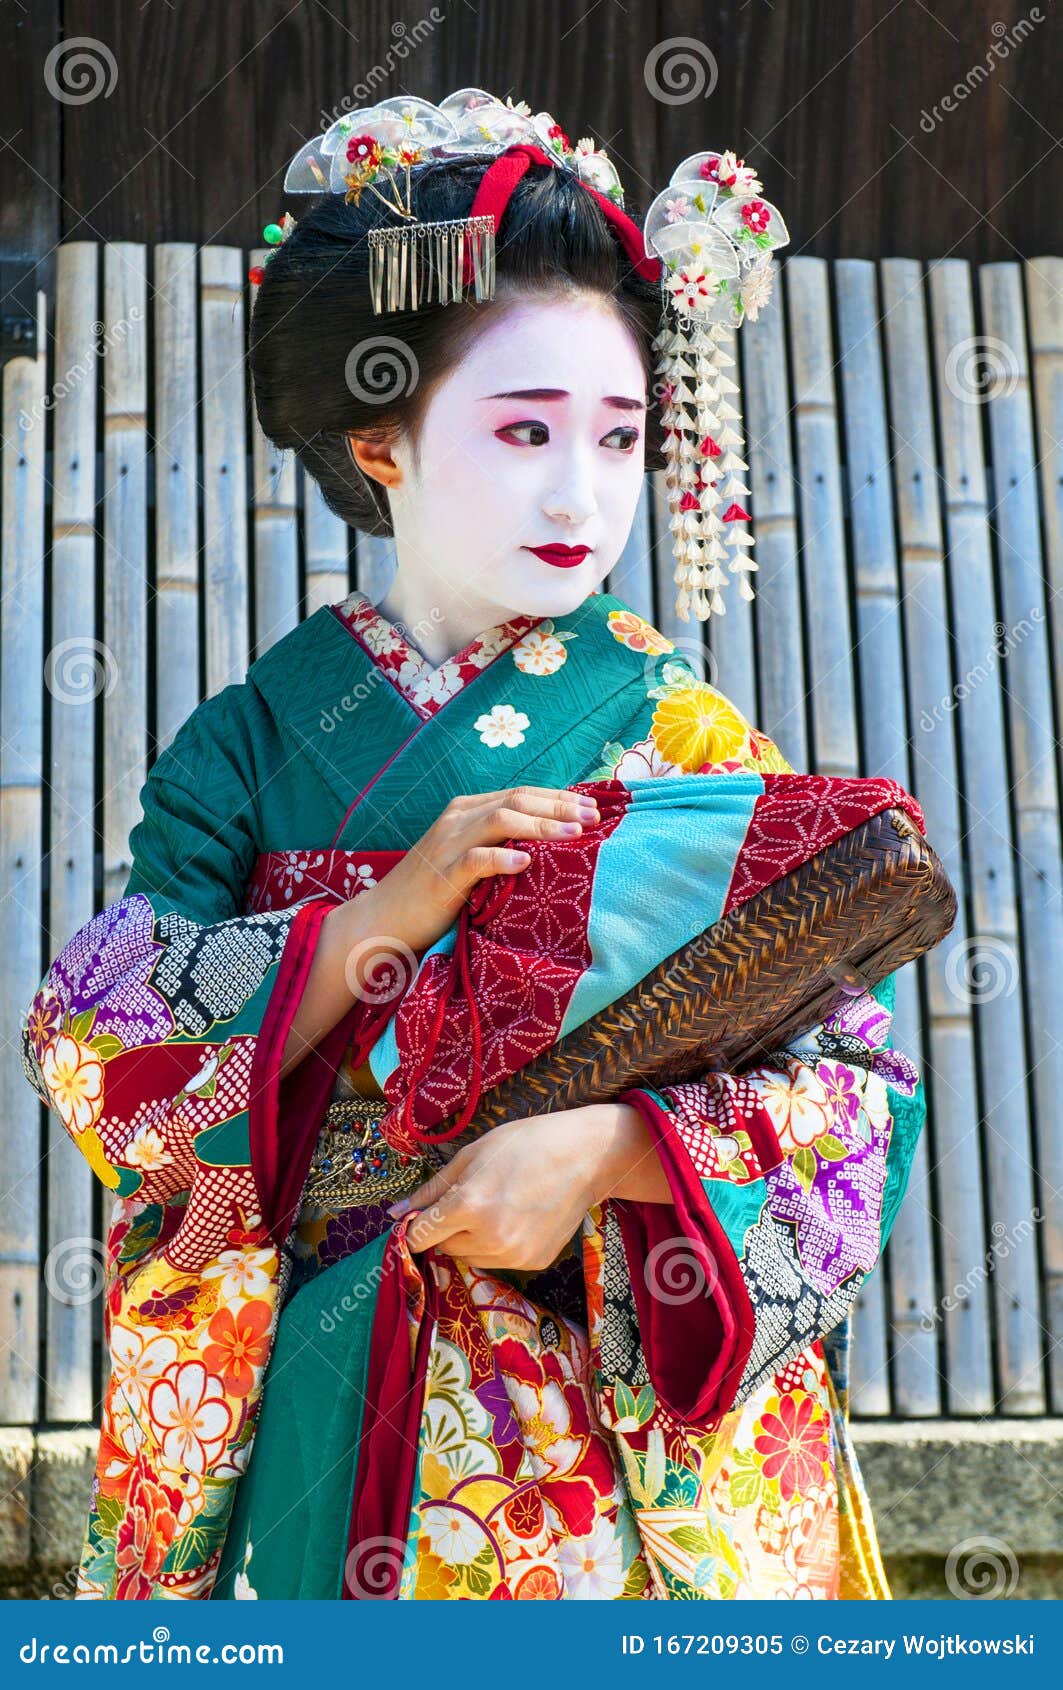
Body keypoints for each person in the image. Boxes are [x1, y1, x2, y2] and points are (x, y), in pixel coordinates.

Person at [21, 90, 926, 1601]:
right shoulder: (247, 746)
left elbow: (857, 1094)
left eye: (620, 435)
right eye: (523, 430)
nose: (582, 489)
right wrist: (385, 910)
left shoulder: (688, 734)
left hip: (607, 1430)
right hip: (316, 1377)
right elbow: (98, 1050)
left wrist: (620, 1151)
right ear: (379, 435)